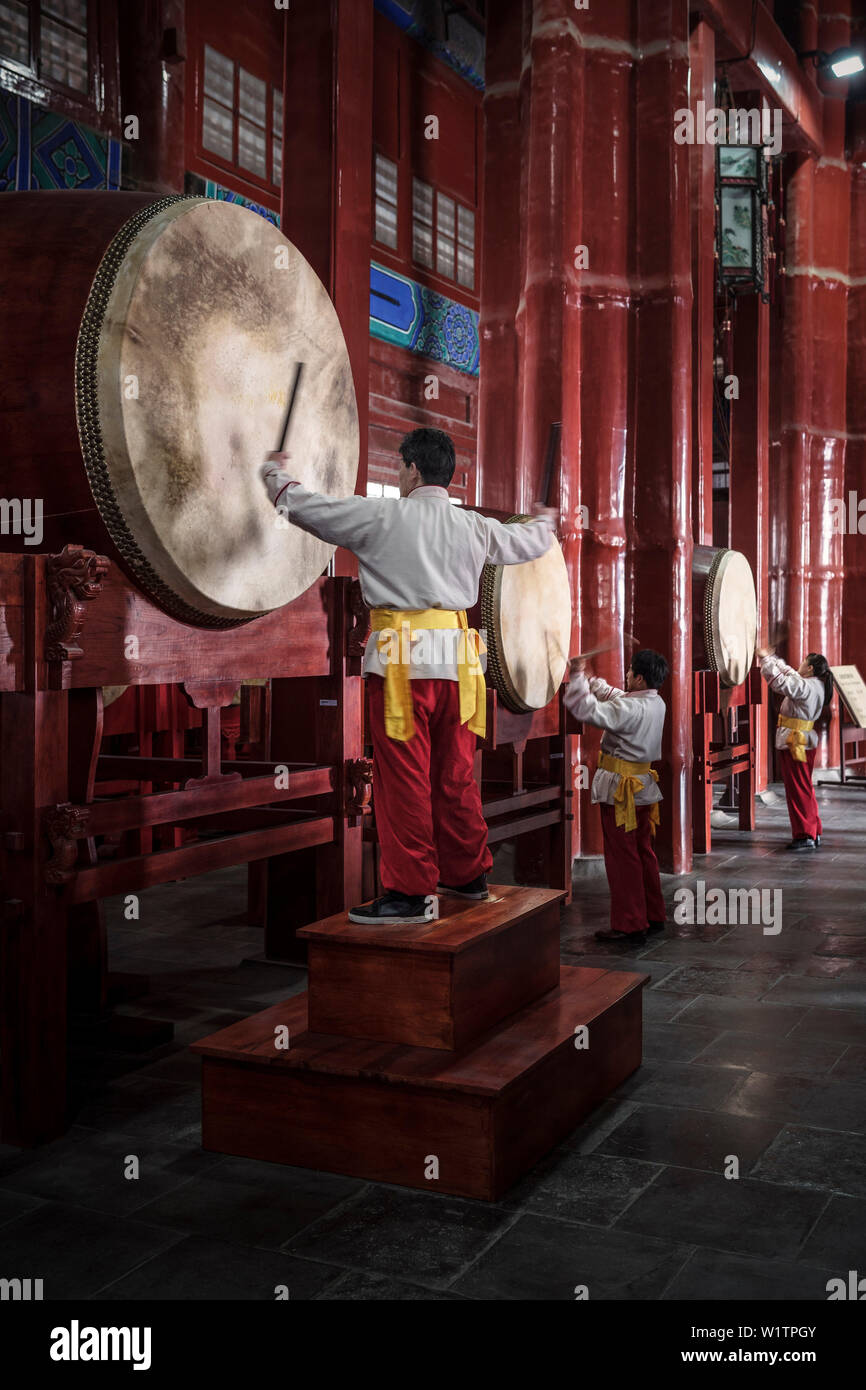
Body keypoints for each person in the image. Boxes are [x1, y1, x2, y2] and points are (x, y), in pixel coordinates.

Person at [260, 427, 555, 924]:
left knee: (404, 782)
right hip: (460, 669)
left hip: (402, 665)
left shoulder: (383, 516)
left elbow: (305, 508)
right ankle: (466, 877)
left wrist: (274, 474)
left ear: (413, 469)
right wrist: (548, 521)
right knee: (456, 775)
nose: (398, 475)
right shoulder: (474, 526)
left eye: (399, 467)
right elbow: (530, 542)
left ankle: (410, 895)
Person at [564, 649, 669, 945]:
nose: (626, 676)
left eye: (630, 671)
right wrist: (592, 680)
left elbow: (586, 710)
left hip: (621, 793)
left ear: (638, 677)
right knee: (643, 852)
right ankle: (653, 914)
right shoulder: (655, 702)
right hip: (643, 789)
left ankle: (630, 924)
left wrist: (576, 677)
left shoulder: (629, 709)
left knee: (623, 859)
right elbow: (619, 698)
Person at [757, 646, 832, 851]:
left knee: (798, 789)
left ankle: (804, 834)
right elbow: (790, 673)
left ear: (809, 668)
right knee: (804, 786)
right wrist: (772, 657)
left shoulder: (806, 686)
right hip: (802, 740)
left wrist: (765, 661)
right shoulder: (814, 684)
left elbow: (780, 682)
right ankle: (813, 831)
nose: (799, 665)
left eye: (803, 662)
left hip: (795, 742)